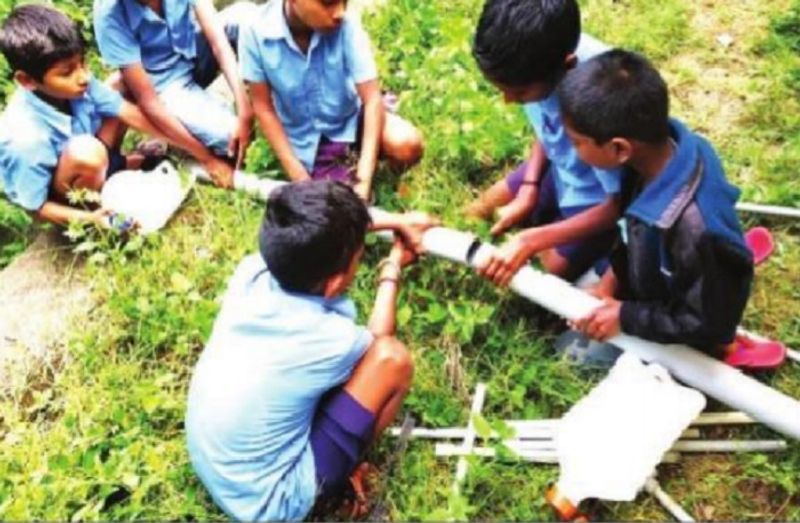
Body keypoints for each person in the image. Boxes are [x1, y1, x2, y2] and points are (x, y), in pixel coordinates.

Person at [186, 181, 436, 521]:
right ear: (335, 283)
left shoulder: (253, 272)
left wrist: (396, 221)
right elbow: (378, 348)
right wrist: (392, 268)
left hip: (218, 465)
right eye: (359, 258)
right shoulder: (329, 339)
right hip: (272, 504)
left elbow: (323, 232)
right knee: (393, 361)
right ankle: (341, 479)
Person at [561, 50, 782, 369]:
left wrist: (626, 316)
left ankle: (724, 346)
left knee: (576, 360)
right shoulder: (659, 155)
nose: (573, 150)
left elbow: (703, 320)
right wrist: (611, 283)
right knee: (704, 260)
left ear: (619, 148)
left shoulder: (694, 228)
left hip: (695, 314)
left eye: (577, 142)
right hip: (679, 262)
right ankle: (720, 267)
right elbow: (628, 231)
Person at [468, 0, 621, 284]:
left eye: (519, 92)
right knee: (481, 207)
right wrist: (529, 187)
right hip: (561, 168)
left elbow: (621, 203)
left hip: (598, 197)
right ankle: (545, 213)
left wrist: (533, 240)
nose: (508, 100)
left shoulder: (603, 101)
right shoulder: (533, 61)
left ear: (567, 66)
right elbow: (546, 129)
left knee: (552, 269)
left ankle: (599, 244)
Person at [0, 4, 181, 227]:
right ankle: (103, 205)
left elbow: (125, 111)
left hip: (95, 156)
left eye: (82, 63)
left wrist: (186, 142)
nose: (84, 76)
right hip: (70, 193)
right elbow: (36, 208)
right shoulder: (24, 139)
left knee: (124, 82)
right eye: (67, 72)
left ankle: (122, 165)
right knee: (87, 151)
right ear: (27, 81)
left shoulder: (77, 81)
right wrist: (91, 219)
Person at [238, 0, 424, 202]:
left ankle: (377, 173)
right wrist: (301, 180)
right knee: (339, 208)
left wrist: (364, 180)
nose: (340, 12)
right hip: (309, 142)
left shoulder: (347, 24)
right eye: (328, 4)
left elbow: (371, 99)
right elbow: (263, 108)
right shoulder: (254, 32)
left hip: (351, 118)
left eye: (344, 2)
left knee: (407, 144)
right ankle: (341, 175)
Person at [93, 0, 256, 188]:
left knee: (248, 17)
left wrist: (244, 105)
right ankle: (191, 122)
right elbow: (149, 102)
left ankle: (242, 95)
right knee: (229, 138)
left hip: (195, 47)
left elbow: (219, 43)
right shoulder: (109, 13)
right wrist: (207, 158)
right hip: (168, 84)